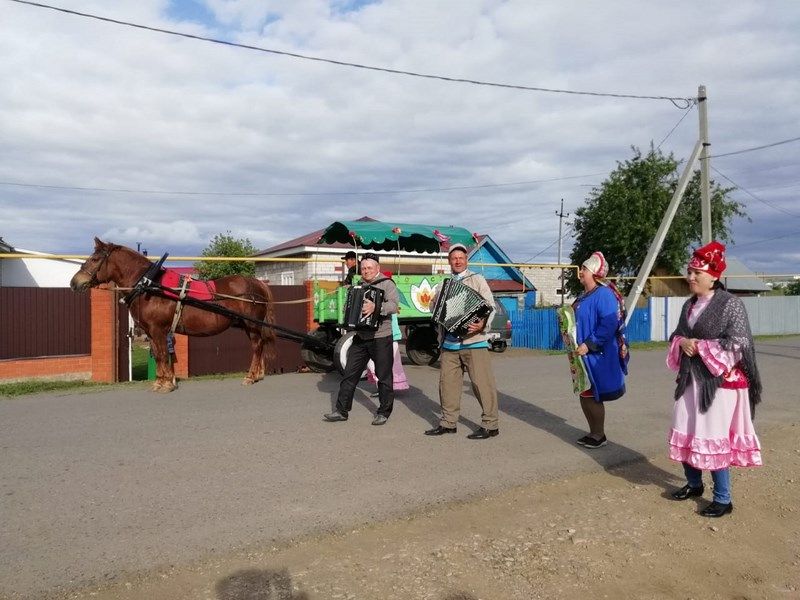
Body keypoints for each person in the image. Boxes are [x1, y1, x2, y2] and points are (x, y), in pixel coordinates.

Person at [667, 241, 762, 517]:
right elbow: (676, 335)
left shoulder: (731, 305)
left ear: (714, 276)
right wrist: (683, 341)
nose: (691, 277)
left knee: (712, 435)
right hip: (690, 380)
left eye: (697, 272)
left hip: (719, 384)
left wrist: (700, 347)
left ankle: (723, 498)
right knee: (685, 428)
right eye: (690, 271)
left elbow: (738, 342)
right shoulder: (690, 304)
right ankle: (694, 484)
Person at [425, 244, 499, 439]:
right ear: (449, 261)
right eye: (453, 258)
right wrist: (434, 304)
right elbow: (435, 309)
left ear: (466, 260)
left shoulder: (477, 279)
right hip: (449, 343)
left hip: (474, 341)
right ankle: (448, 423)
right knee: (447, 384)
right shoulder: (444, 284)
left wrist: (482, 324)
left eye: (461, 258)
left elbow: (490, 306)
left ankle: (491, 425)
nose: (457, 261)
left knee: (482, 384)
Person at [324, 253, 399, 426]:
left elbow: (394, 305)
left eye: (369, 268)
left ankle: (384, 412)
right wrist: (348, 307)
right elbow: (351, 306)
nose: (365, 271)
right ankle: (341, 411)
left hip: (380, 336)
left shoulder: (387, 284)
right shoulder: (358, 286)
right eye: (363, 268)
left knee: (384, 376)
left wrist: (376, 307)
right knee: (350, 374)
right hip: (361, 336)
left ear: (377, 268)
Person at [573, 251, 628, 449]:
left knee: (592, 393)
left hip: (597, 354)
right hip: (582, 353)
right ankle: (594, 432)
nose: (580, 272)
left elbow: (609, 324)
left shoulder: (603, 294)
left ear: (595, 272)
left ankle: (599, 434)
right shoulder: (583, 296)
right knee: (585, 392)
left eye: (584, 269)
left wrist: (589, 344)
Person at [366, 272, 409, 396]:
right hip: (381, 337)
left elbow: (392, 325)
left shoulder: (389, 307)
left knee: (387, 364)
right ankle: (382, 387)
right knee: (375, 363)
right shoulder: (382, 304)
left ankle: (387, 388)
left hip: (389, 338)